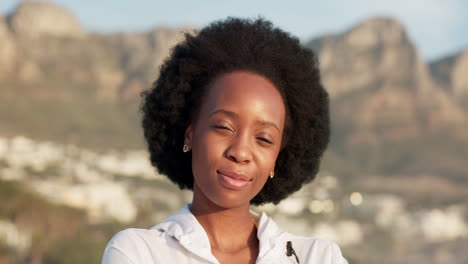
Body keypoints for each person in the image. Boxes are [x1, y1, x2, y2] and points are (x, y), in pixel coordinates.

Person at [102, 17, 348, 264]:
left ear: (277, 158)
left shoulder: (316, 257)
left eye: (263, 138)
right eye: (223, 127)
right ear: (190, 134)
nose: (240, 152)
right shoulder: (139, 252)